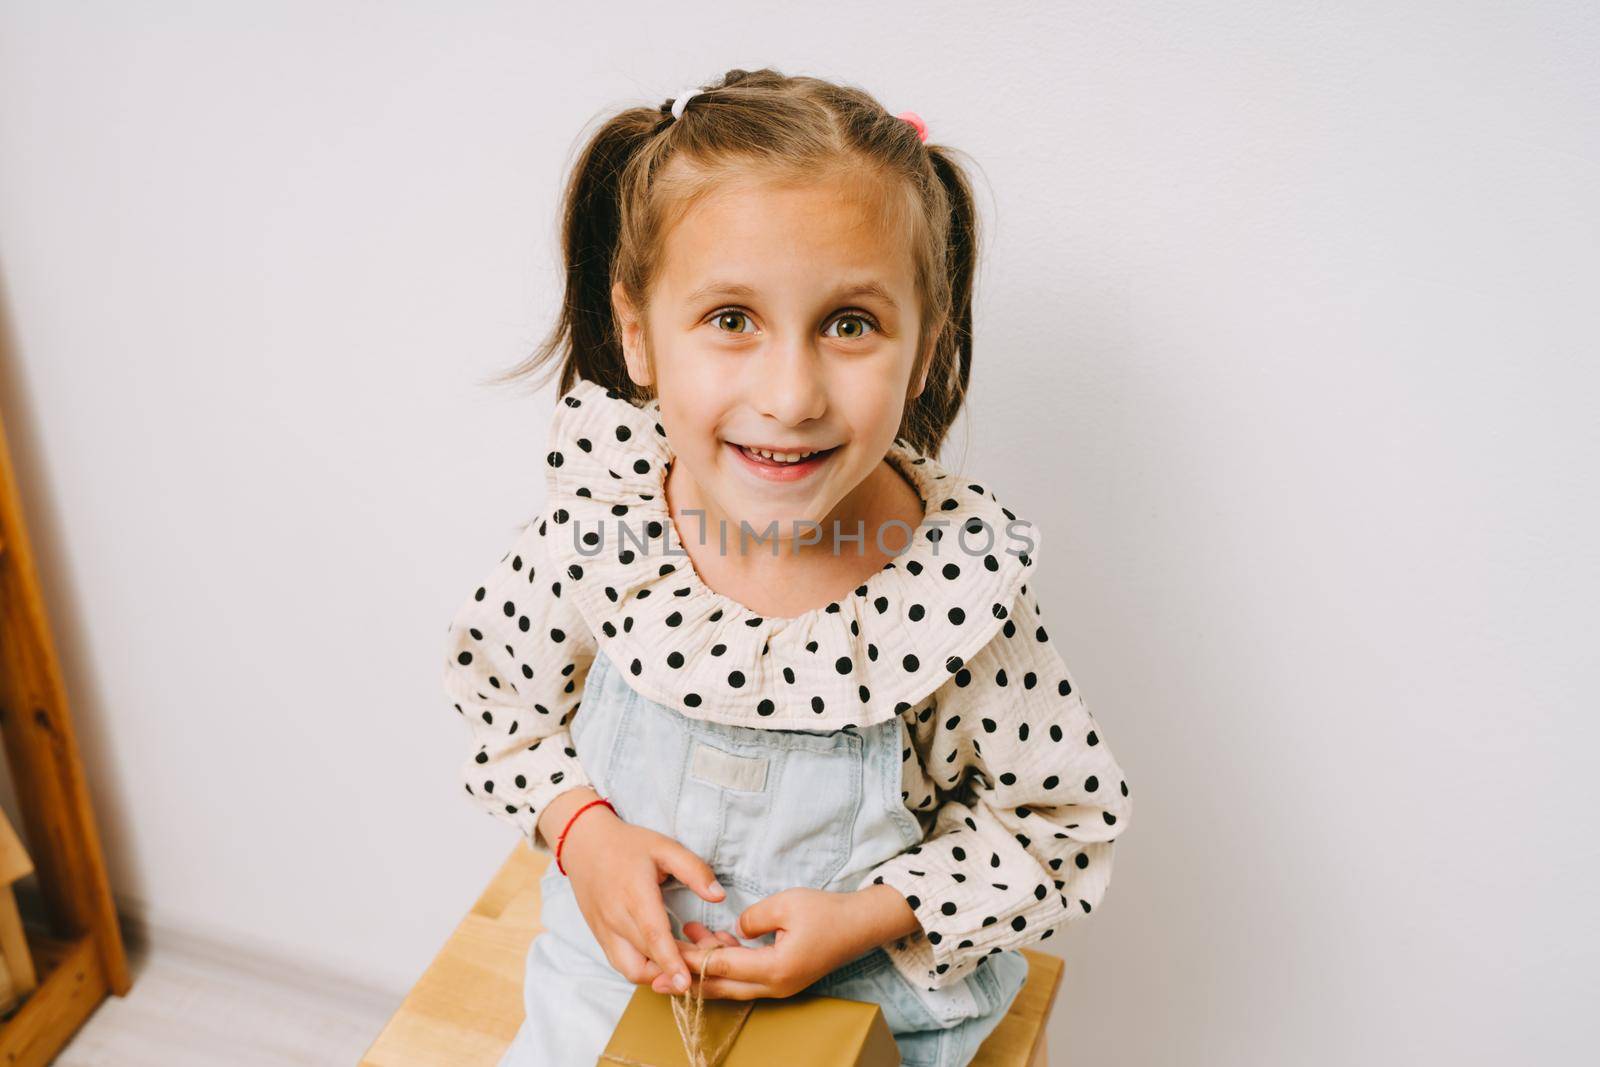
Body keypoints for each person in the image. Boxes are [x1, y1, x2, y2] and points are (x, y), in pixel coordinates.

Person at [442, 67, 1133, 1067]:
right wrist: (585, 832)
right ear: (639, 334)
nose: (791, 392)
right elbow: (499, 703)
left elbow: (1057, 821)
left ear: (924, 346)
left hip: (874, 1009)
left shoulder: (954, 586)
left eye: (849, 324)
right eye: (731, 319)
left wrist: (866, 915)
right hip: (617, 976)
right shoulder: (609, 522)